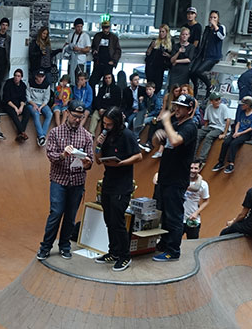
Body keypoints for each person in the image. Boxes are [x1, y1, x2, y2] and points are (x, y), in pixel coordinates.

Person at [36, 101, 94, 261]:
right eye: (75, 116)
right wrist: (62, 155)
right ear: (67, 113)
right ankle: (45, 247)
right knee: (55, 213)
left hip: (77, 181)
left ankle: (65, 245)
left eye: (80, 117)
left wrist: (87, 163)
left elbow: (91, 161)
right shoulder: (55, 132)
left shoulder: (87, 135)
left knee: (70, 215)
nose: (77, 120)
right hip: (59, 180)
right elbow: (50, 155)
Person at [150, 94, 199, 263]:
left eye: (181, 107)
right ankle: (164, 244)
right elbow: (158, 143)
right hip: (165, 177)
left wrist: (166, 122)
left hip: (177, 180)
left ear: (190, 109)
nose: (177, 109)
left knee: (174, 216)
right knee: (163, 215)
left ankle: (173, 251)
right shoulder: (176, 124)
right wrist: (158, 135)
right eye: (176, 106)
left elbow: (176, 140)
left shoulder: (190, 127)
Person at [93, 106, 142, 271]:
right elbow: (98, 161)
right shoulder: (105, 136)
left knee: (118, 221)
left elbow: (138, 156)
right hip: (108, 182)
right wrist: (98, 146)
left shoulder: (127, 135)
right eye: (104, 123)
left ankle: (124, 256)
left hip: (122, 185)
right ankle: (113, 252)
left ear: (117, 122)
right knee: (108, 220)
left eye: (109, 124)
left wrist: (122, 163)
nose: (106, 127)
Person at [215, 95, 252, 174]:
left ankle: (231, 163)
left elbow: (251, 128)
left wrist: (240, 133)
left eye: (243, 104)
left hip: (246, 133)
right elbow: (238, 122)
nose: (241, 106)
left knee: (234, 144)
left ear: (247, 105)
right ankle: (220, 162)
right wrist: (236, 132)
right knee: (226, 143)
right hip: (237, 131)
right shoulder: (241, 112)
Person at [190, 10, 225, 97]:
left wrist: (215, 26)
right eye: (211, 17)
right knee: (192, 71)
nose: (212, 19)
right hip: (203, 55)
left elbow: (221, 37)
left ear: (218, 19)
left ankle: (209, 86)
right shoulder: (207, 29)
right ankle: (196, 86)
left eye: (214, 17)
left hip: (213, 56)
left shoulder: (221, 27)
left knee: (199, 71)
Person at [194, 92, 226, 164]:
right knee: (198, 134)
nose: (218, 101)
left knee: (209, 136)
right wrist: (204, 129)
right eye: (216, 100)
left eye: (219, 99)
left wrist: (225, 133)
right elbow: (206, 120)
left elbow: (228, 121)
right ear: (211, 101)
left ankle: (202, 159)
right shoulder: (209, 107)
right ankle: (193, 156)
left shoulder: (223, 107)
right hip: (210, 126)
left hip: (220, 127)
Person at [1, 69, 31, 142]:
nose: (16, 77)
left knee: (27, 112)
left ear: (21, 77)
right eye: (15, 75)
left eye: (18, 76)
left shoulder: (23, 85)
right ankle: (22, 132)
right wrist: (15, 108)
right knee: (13, 114)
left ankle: (20, 133)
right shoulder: (8, 83)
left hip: (19, 104)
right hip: (9, 104)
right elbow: (6, 98)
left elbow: (23, 98)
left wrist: (21, 107)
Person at [89, 19, 120, 87]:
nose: (105, 29)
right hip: (98, 62)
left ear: (109, 28)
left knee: (108, 84)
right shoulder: (97, 36)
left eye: (107, 27)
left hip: (108, 63)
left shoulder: (114, 37)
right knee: (92, 82)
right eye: (104, 27)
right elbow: (93, 46)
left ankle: (106, 97)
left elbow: (118, 51)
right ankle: (94, 97)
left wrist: (113, 61)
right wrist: (94, 51)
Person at [183, 161, 210, 240]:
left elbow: (206, 201)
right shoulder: (181, 180)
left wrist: (196, 213)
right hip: (179, 219)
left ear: (200, 169)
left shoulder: (203, 184)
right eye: (191, 168)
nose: (193, 170)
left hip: (193, 220)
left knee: (192, 243)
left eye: (195, 168)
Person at [26, 70, 53, 146]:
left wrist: (41, 107)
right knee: (36, 114)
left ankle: (42, 136)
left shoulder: (47, 84)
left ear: (44, 77)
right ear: (36, 76)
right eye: (39, 77)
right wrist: (34, 105)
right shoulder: (30, 83)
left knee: (49, 114)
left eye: (42, 77)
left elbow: (46, 98)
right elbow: (28, 97)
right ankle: (41, 136)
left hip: (42, 104)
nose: (40, 79)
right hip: (32, 103)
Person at [144, 25, 173, 95]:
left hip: (160, 67)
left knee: (158, 85)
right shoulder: (155, 41)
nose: (161, 33)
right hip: (151, 65)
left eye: (163, 31)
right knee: (150, 85)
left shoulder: (170, 42)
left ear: (166, 32)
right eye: (160, 31)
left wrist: (168, 55)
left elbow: (172, 56)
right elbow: (147, 53)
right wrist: (151, 47)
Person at [168, 26, 195, 91]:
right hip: (175, 70)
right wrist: (179, 52)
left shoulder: (191, 46)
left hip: (184, 70)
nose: (184, 36)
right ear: (180, 35)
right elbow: (172, 60)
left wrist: (177, 61)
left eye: (186, 34)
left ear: (189, 36)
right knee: (172, 89)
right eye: (183, 34)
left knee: (183, 89)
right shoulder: (175, 46)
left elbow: (189, 59)